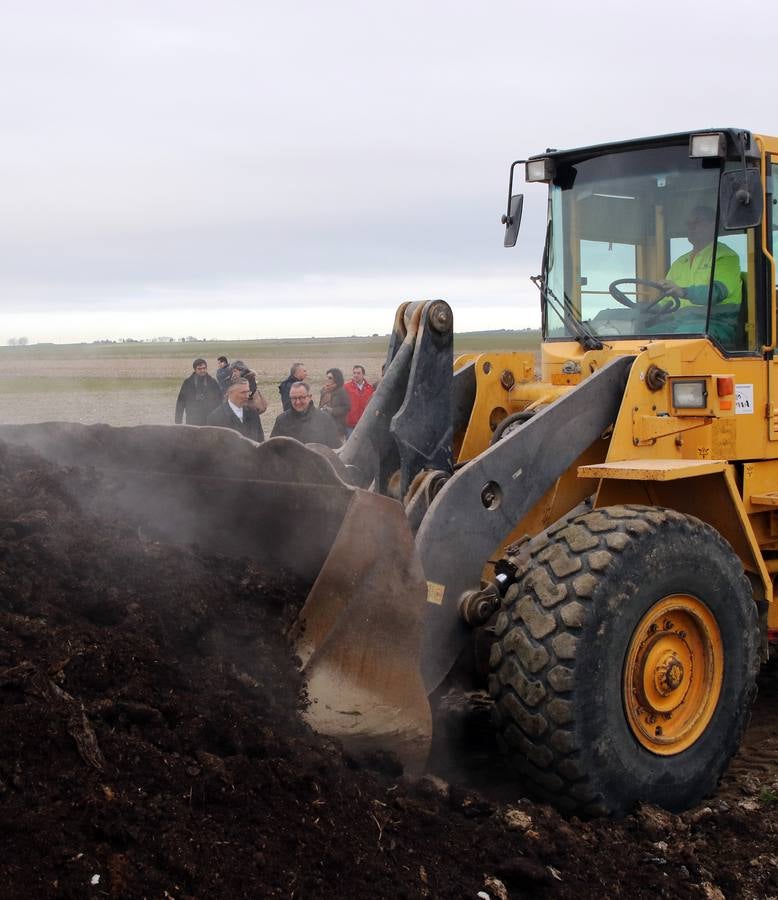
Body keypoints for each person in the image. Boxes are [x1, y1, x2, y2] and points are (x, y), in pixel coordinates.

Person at [653, 205, 742, 344]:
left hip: (716, 322)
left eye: (698, 222)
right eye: (689, 224)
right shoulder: (680, 262)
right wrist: (645, 310)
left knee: (683, 338)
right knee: (644, 333)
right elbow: (665, 301)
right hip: (680, 322)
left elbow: (717, 292)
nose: (691, 227)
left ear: (713, 225)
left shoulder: (725, 257)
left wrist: (683, 292)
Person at [270, 381, 341, 448]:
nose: (297, 402)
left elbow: (334, 448)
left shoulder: (325, 419)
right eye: (294, 398)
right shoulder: (282, 420)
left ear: (309, 397)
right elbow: (273, 448)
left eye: (301, 398)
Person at [174, 358, 222, 426]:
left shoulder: (212, 382)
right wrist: (178, 422)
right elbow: (180, 402)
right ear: (195, 369)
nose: (202, 370)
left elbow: (219, 401)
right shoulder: (188, 383)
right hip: (192, 420)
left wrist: (219, 419)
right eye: (199, 369)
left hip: (209, 421)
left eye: (204, 368)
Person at [318, 368, 351, 438]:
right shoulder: (324, 390)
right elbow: (320, 405)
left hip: (337, 430)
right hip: (324, 428)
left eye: (330, 378)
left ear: (336, 379)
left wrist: (332, 410)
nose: (327, 380)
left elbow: (347, 407)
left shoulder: (341, 391)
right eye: (327, 377)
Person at [344, 365, 374, 434]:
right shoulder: (346, 387)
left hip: (364, 425)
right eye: (354, 373)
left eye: (358, 373)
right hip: (350, 426)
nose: (355, 375)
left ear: (363, 374)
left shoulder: (370, 389)